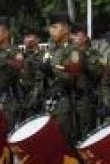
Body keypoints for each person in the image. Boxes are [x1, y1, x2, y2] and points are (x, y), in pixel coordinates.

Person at [41, 12, 85, 146]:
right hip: (49, 101)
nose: (51, 30)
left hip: (64, 102)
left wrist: (52, 70)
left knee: (63, 143)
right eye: (51, 27)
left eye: (55, 27)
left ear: (66, 29)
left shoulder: (73, 51)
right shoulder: (50, 50)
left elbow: (72, 77)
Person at [70, 22, 103, 138]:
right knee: (72, 134)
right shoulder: (69, 53)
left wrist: (84, 60)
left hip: (86, 98)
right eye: (73, 35)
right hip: (70, 97)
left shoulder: (93, 53)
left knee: (87, 134)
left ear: (85, 36)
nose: (74, 38)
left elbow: (98, 73)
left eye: (77, 34)